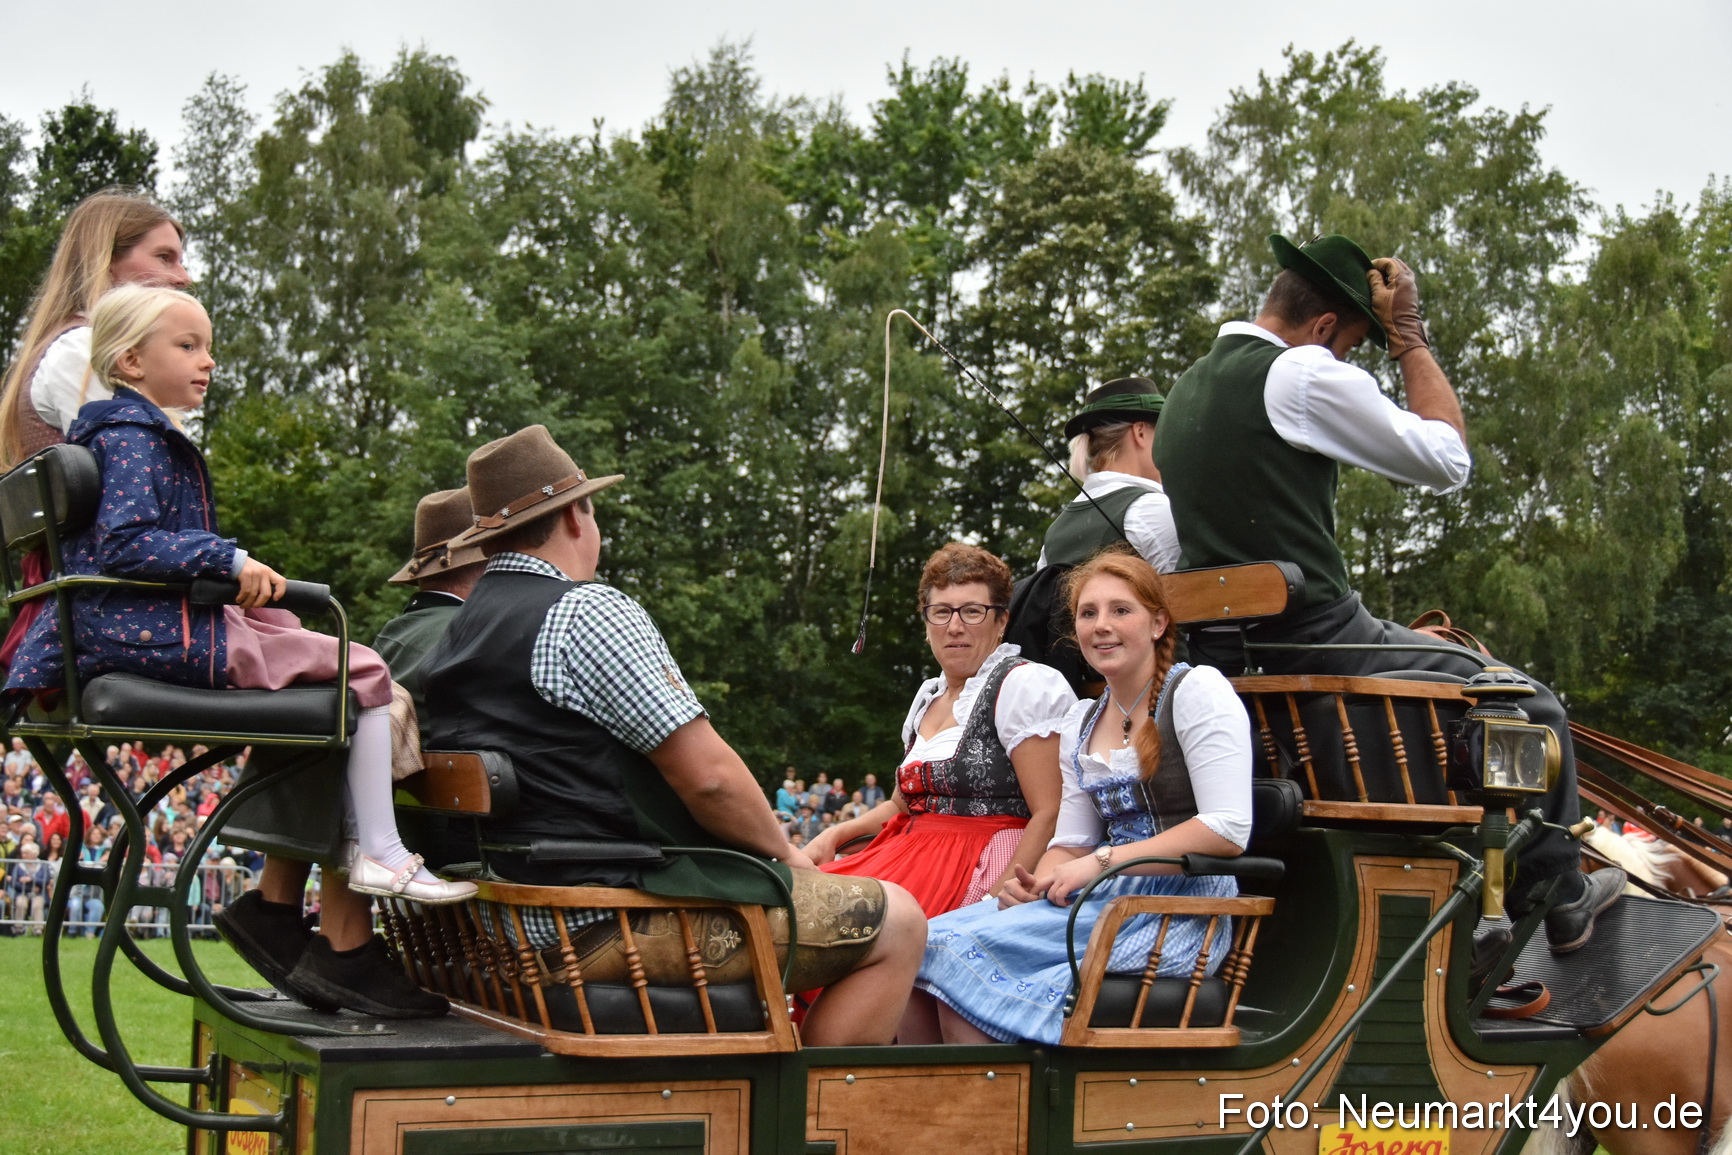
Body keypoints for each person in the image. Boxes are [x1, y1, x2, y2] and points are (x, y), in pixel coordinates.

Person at [3, 284, 474, 1009]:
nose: (207, 361)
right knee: (366, 669)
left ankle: (292, 902)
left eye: (208, 347)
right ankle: (380, 853)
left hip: (147, 629)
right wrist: (226, 559)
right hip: (159, 636)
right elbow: (129, 545)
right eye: (186, 346)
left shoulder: (125, 434)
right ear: (129, 359)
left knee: (318, 657)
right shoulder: (132, 439)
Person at [1153, 232, 1622, 952]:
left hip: (1232, 659)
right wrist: (1407, 338)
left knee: (1443, 660)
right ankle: (1559, 891)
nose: (1346, 362)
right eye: (1352, 346)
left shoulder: (1185, 389)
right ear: (1323, 328)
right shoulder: (1302, 371)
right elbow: (1447, 459)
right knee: (1528, 702)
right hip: (1321, 636)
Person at [419, 424, 926, 1046]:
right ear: (577, 517)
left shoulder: (459, 629)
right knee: (899, 920)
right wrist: (789, 858)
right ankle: (804, 1124)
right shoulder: (588, 610)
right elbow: (709, 779)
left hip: (497, 922)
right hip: (596, 922)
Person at [914, 551, 1252, 1043]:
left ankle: (994, 1110)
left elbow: (1227, 828)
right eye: (1088, 613)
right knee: (921, 944)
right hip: (1096, 896)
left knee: (952, 957)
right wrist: (1036, 882)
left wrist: (1101, 863)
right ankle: (949, 1107)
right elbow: (1071, 842)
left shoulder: (1196, 690)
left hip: (1172, 911)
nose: (1101, 626)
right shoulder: (1083, 720)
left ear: (1158, 622)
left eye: (1121, 610)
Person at [807, 544, 1074, 925]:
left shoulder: (1023, 685)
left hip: (977, 863)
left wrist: (995, 905)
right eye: (941, 612)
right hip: (908, 855)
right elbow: (901, 806)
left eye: (972, 611)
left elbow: (1049, 811)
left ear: (1001, 622)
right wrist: (832, 837)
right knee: (802, 909)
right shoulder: (928, 696)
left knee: (842, 931)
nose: (954, 626)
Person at [0, 190, 192, 674]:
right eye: (164, 257)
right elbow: (138, 516)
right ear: (106, 264)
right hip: (116, 609)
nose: (183, 277)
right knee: (356, 681)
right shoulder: (83, 352)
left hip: (116, 597)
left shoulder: (78, 349)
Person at [1037, 377, 1179, 572]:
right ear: (1140, 432)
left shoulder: (1053, 536)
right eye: (1164, 432)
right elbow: (1194, 595)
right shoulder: (1151, 510)